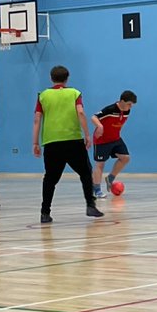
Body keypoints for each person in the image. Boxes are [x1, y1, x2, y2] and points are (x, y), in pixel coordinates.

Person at [32, 65, 103, 223]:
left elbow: (37, 119)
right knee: (85, 173)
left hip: (51, 142)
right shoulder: (74, 93)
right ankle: (90, 205)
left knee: (50, 178)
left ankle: (45, 213)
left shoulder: (43, 95)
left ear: (51, 78)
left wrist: (35, 142)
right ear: (67, 78)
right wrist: (86, 134)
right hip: (73, 141)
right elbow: (81, 112)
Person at [91, 90, 137, 199]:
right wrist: (100, 126)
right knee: (100, 164)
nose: (130, 107)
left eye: (132, 105)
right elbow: (94, 117)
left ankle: (110, 178)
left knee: (125, 158)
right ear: (122, 101)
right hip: (101, 140)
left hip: (115, 139)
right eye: (129, 104)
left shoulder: (127, 111)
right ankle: (96, 189)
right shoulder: (110, 109)